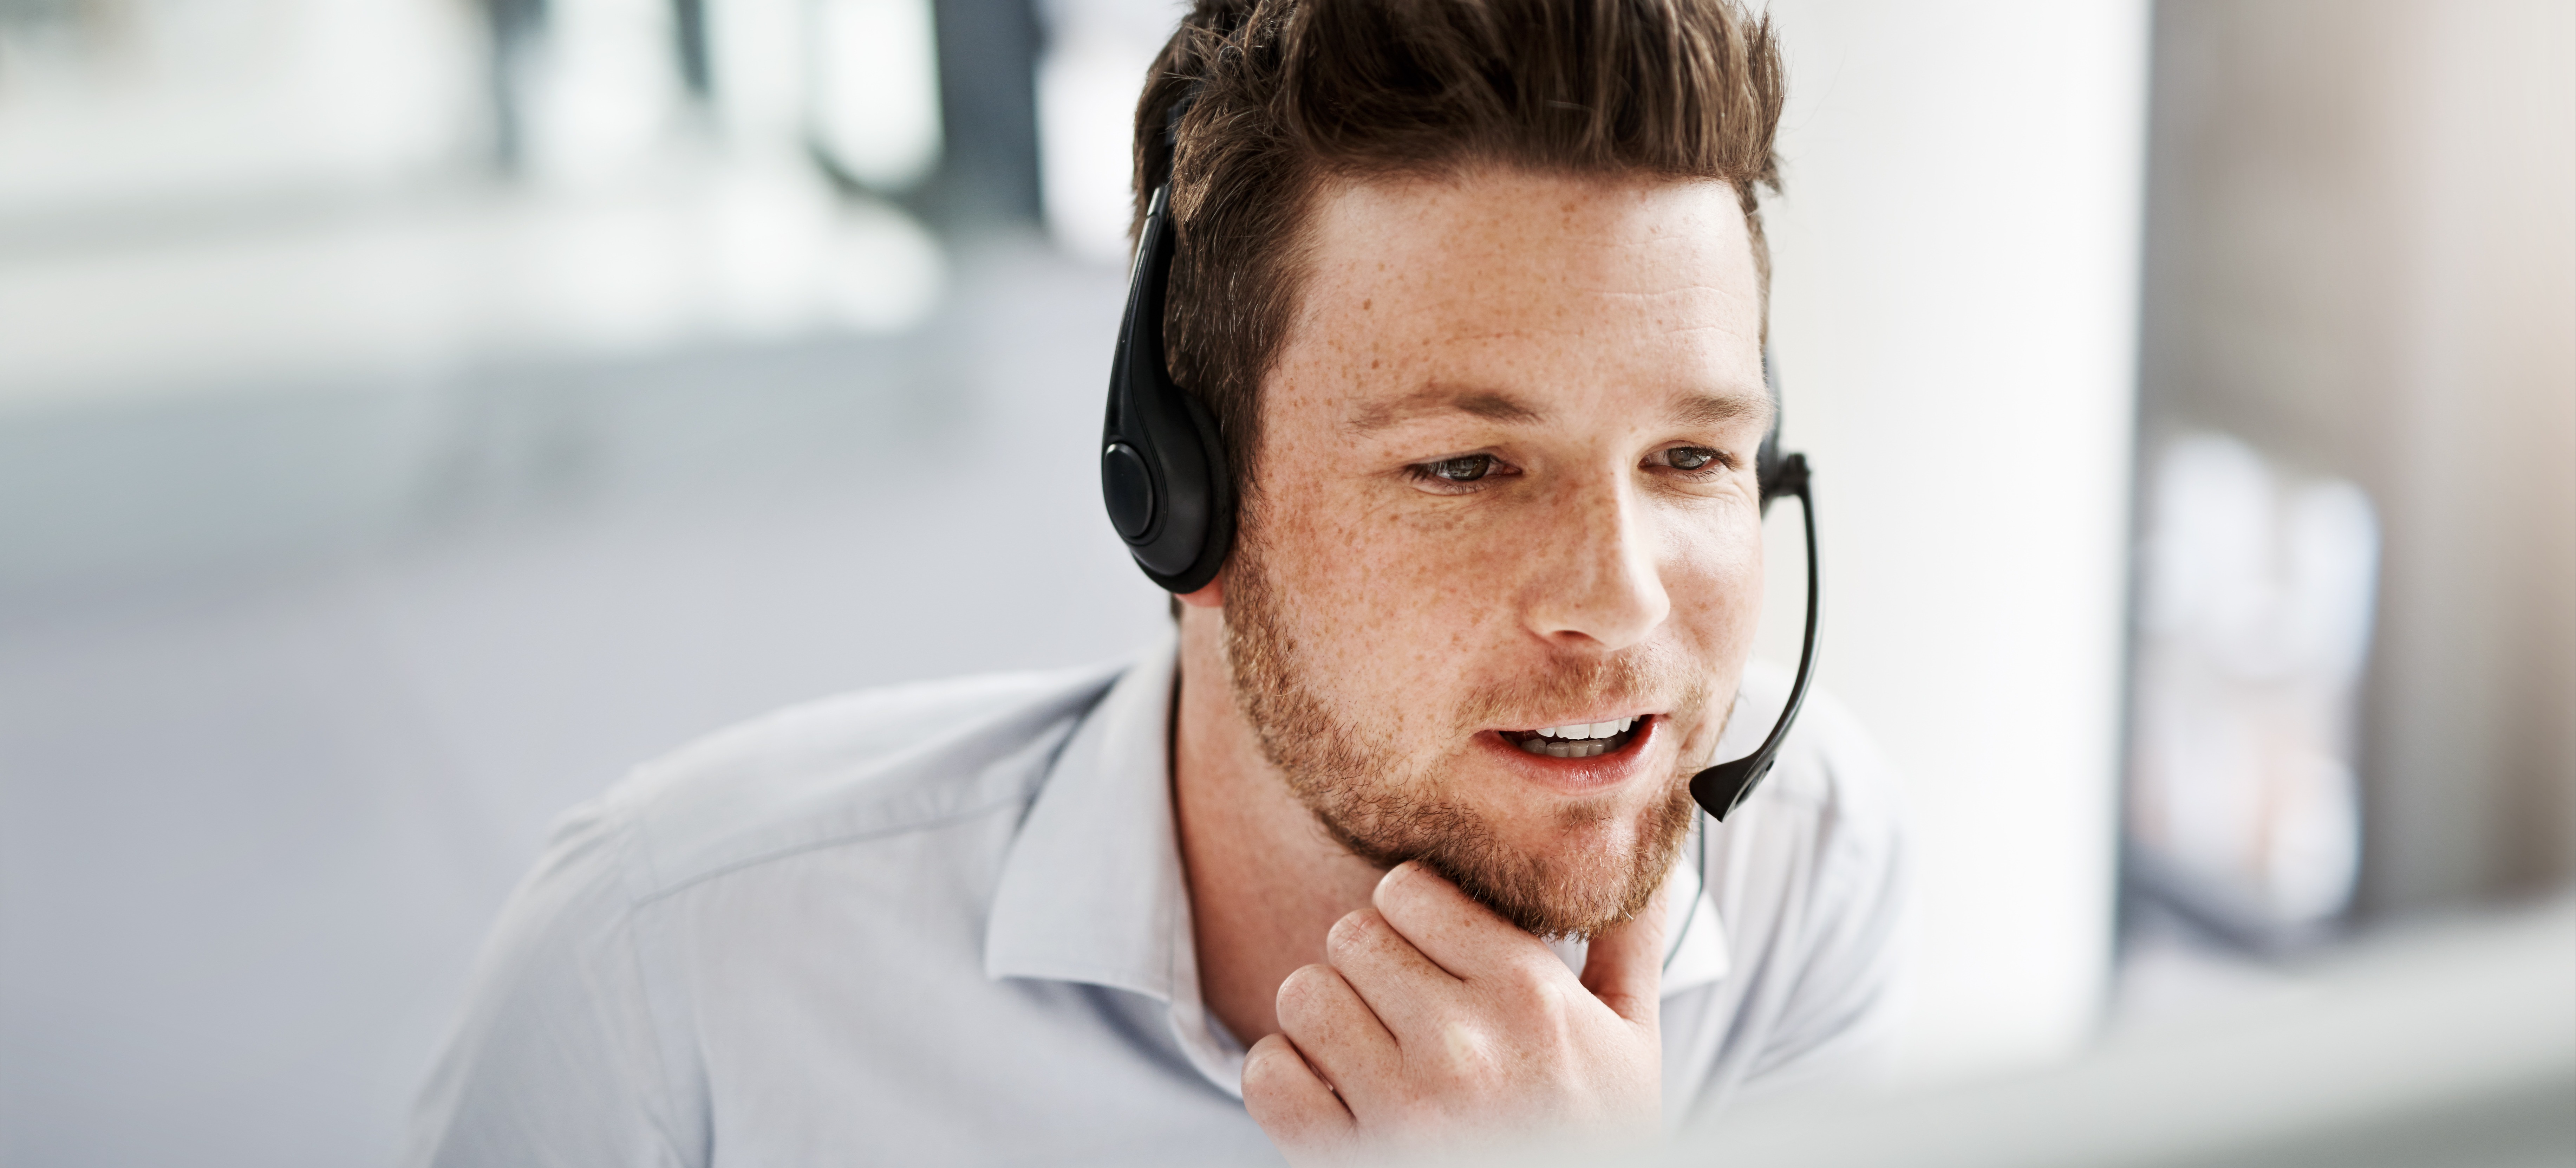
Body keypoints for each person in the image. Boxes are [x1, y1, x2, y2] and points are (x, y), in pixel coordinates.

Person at [408, 0, 1904, 1162]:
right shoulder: (672, 982)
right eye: (1465, 469)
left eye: (1694, 460)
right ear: (1177, 495)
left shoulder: (1806, 879)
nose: (1623, 605)